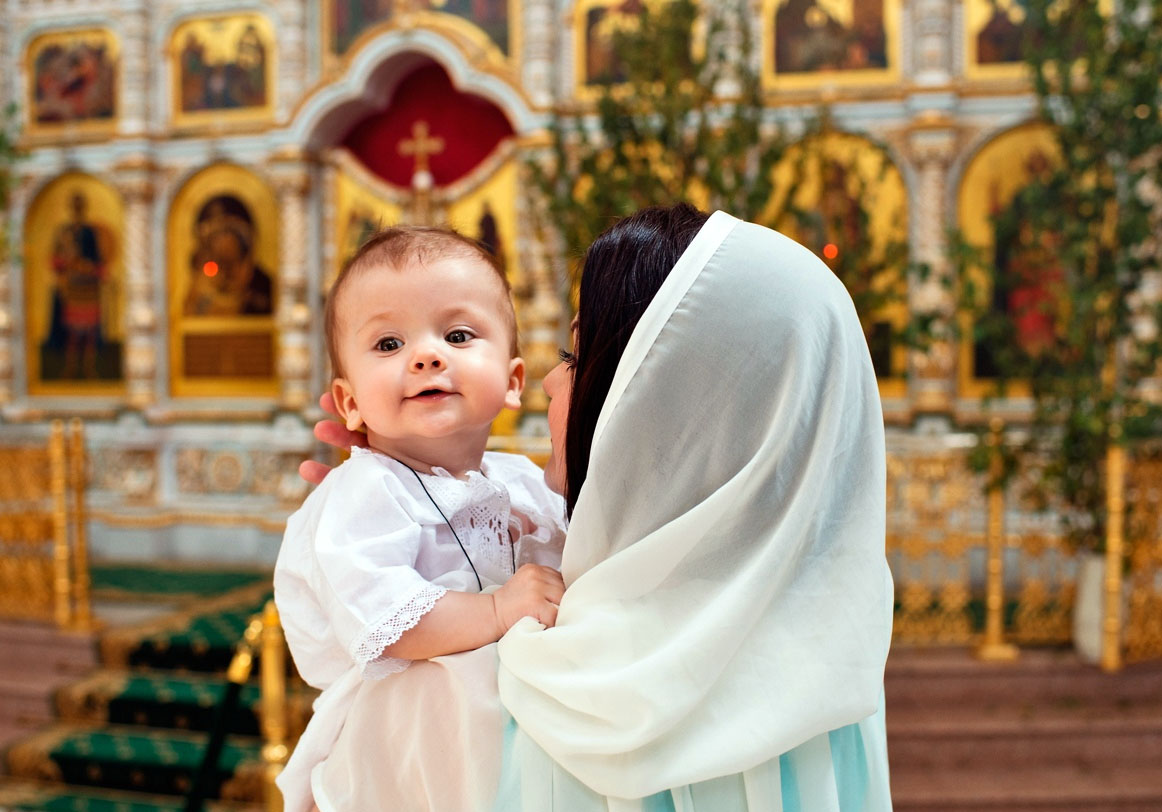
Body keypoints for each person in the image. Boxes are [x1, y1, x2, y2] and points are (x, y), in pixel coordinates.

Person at [302, 204, 894, 810]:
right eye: (388, 344)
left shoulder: (464, 702)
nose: (552, 385)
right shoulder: (838, 660)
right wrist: (407, 492)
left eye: (576, 357)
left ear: (661, 407)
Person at [274, 226, 568, 812]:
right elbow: (386, 617)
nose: (427, 356)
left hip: (500, 732)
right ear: (350, 401)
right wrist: (497, 608)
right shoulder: (363, 493)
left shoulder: (519, 482)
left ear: (512, 383)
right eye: (388, 345)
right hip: (400, 740)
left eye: (458, 335)